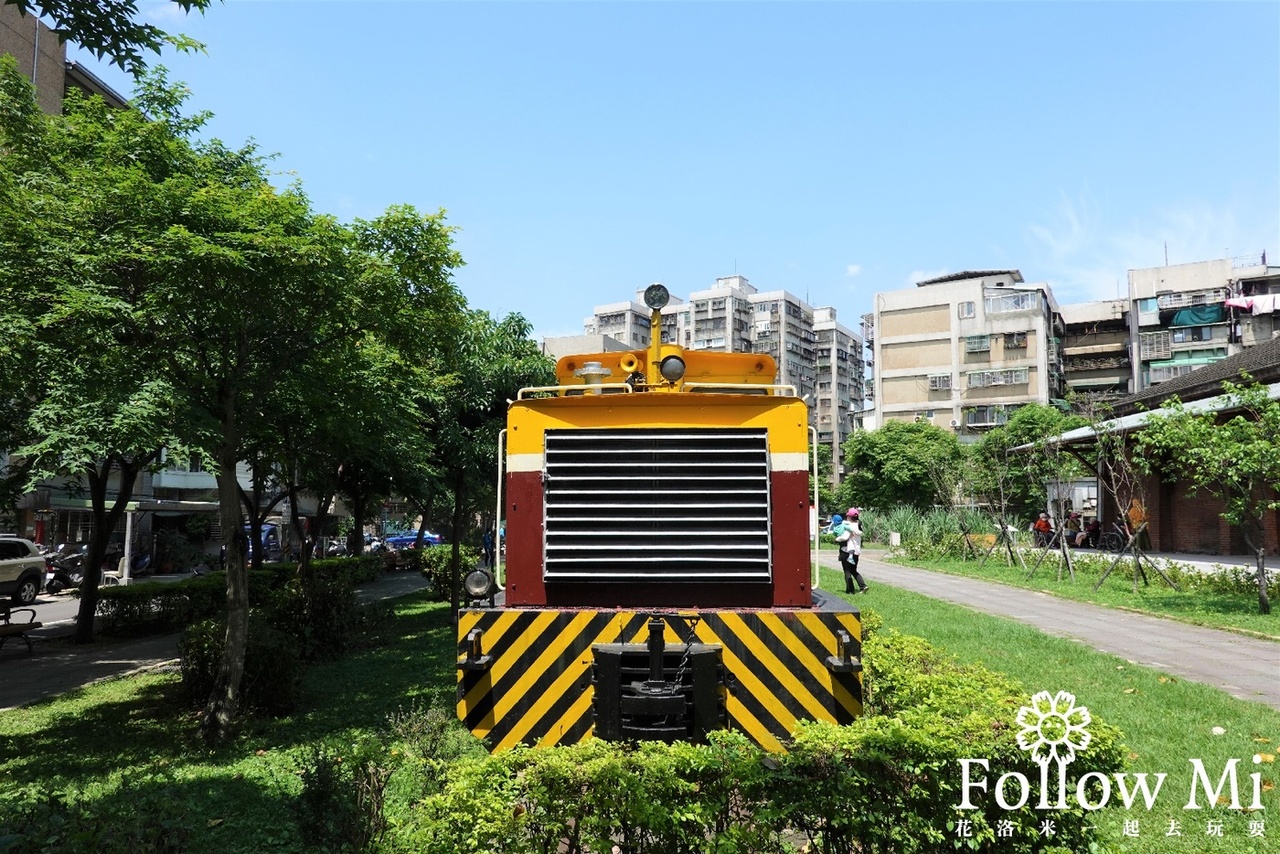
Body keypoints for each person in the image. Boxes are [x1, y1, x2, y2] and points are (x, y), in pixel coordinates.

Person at [837, 507, 868, 594]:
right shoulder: (859, 526)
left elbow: (845, 537)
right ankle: (863, 585)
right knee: (854, 570)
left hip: (846, 551)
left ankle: (850, 590)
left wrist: (837, 539)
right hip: (856, 552)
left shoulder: (849, 527)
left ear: (849, 517)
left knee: (847, 571)